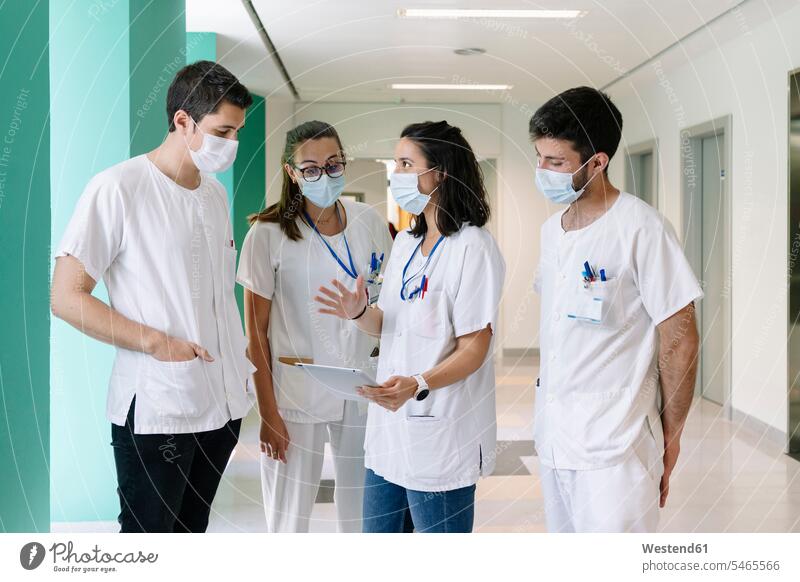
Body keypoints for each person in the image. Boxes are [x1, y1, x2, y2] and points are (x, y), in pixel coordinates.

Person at [50, 61, 256, 532]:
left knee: (190, 534)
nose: (232, 145)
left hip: (222, 408)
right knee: (149, 543)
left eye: (238, 132)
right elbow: (66, 295)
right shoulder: (118, 188)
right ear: (182, 121)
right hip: (160, 408)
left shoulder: (215, 196)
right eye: (223, 131)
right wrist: (157, 343)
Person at [315, 121, 505, 533]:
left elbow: (475, 346)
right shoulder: (404, 243)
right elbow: (388, 326)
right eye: (395, 162)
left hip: (440, 433)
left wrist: (417, 382)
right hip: (388, 434)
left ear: (441, 173)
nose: (395, 173)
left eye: (406, 163)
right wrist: (358, 312)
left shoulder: (474, 247)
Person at [530, 86, 703, 532]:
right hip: (554, 442)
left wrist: (673, 433)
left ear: (597, 162)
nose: (542, 171)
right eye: (539, 157)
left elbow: (681, 338)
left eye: (556, 162)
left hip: (616, 448)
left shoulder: (641, 228)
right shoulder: (553, 232)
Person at [237, 120, 393, 533]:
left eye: (333, 164)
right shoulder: (268, 233)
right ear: (292, 172)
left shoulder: (369, 221)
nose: (324, 176)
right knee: (290, 516)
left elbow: (388, 304)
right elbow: (256, 333)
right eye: (310, 169)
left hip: (362, 385)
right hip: (296, 389)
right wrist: (267, 412)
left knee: (365, 511)